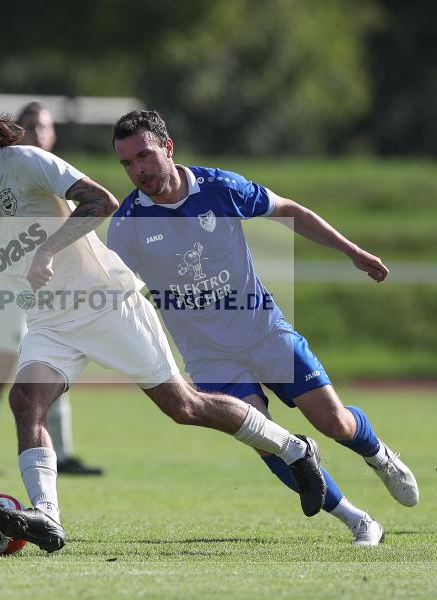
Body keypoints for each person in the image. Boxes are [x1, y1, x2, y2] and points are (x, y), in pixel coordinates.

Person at [0, 96, 327, 553]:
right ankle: (48, 516)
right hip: (51, 321)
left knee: (184, 406)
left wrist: (48, 250)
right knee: (25, 400)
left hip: (107, 302)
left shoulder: (29, 162)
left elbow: (102, 200)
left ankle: (294, 448)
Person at [106, 110, 420, 544]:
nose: (137, 170)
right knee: (267, 438)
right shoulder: (127, 225)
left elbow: (290, 210)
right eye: (127, 163)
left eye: (144, 155)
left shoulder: (219, 188)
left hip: (264, 332)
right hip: (210, 357)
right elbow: (117, 294)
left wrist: (352, 252)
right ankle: (357, 520)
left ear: (168, 148)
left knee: (335, 423)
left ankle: (379, 455)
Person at [0, 101, 104, 476]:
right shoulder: (11, 172)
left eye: (43, 126)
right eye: (28, 126)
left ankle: (65, 454)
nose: (37, 132)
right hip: (11, 282)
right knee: (0, 365)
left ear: (53, 133)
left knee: (53, 360)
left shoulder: (56, 175)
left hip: (52, 284)